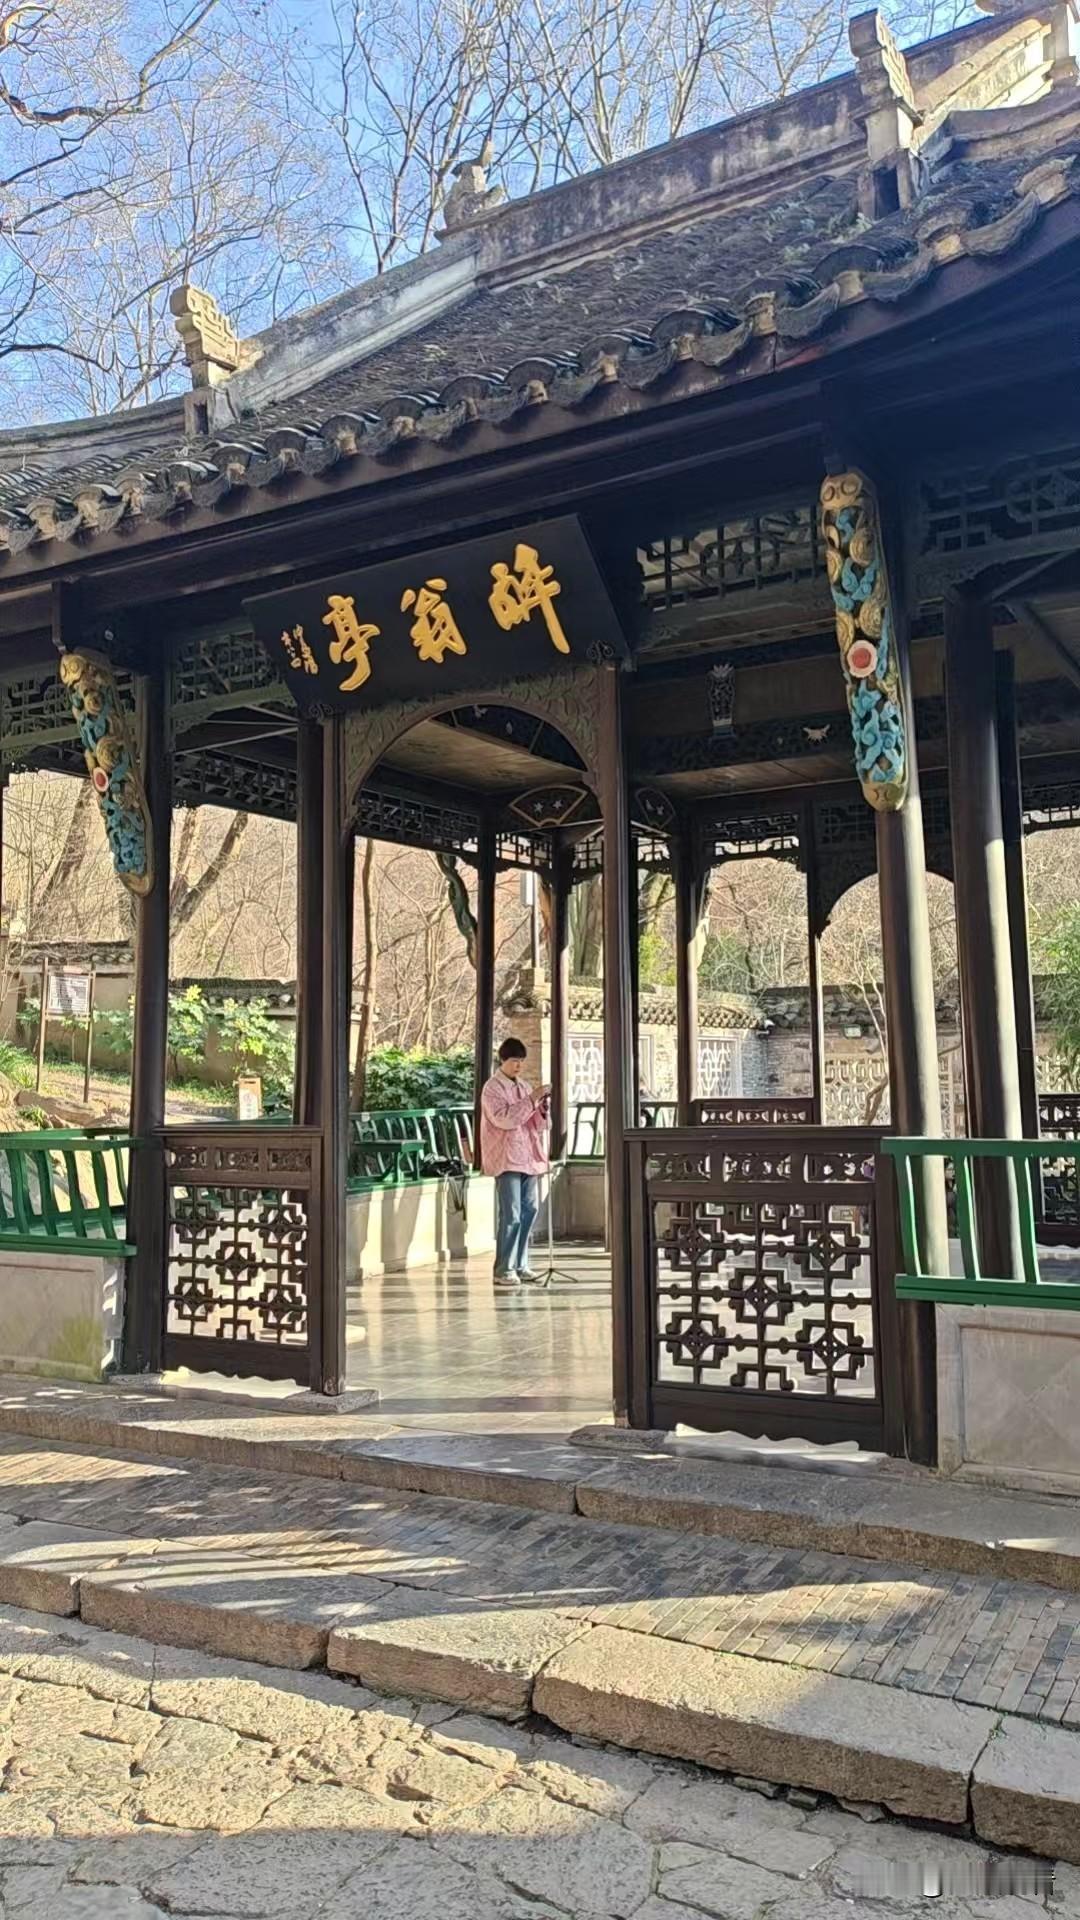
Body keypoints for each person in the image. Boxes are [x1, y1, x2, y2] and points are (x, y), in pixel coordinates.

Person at [480, 1036, 551, 1289]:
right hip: (505, 1157)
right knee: (511, 1213)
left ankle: (521, 1263)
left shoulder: (524, 1086)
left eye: (521, 1061)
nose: (518, 1066)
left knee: (530, 1209)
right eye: (514, 1061)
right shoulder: (492, 1088)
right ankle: (504, 1268)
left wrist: (542, 1108)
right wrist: (532, 1100)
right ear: (503, 1060)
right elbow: (505, 1119)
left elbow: (538, 1124)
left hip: (527, 1156)